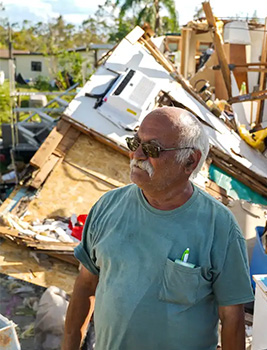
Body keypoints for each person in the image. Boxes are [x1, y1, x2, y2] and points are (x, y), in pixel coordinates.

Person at [63, 107, 254, 350]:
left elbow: (232, 319)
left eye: (153, 149)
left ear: (189, 161)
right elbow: (85, 285)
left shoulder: (219, 226)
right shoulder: (107, 207)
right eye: (135, 142)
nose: (137, 155)